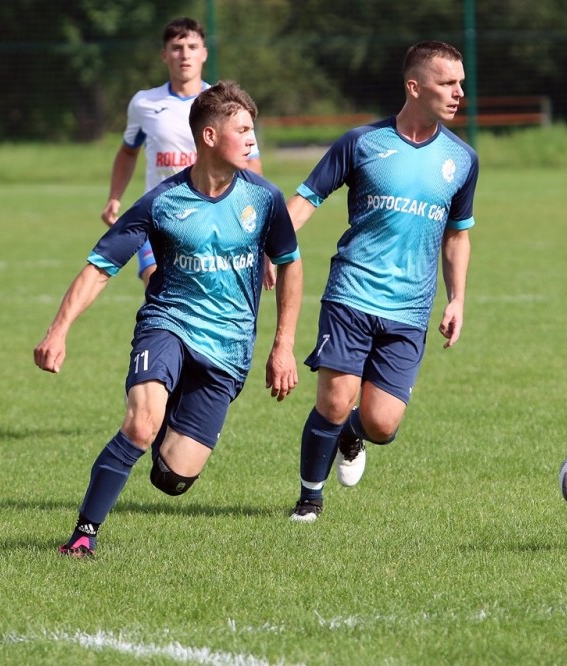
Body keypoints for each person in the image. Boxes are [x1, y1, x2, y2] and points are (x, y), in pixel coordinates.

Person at [35, 80, 303, 556]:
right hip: (168, 324)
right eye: (242, 130)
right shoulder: (162, 201)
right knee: (140, 424)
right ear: (209, 136)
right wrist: (59, 331)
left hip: (228, 348)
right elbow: (101, 266)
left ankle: (165, 413)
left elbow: (290, 265)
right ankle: (83, 535)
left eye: (252, 130)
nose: (251, 140)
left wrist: (283, 345)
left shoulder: (265, 199)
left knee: (173, 478)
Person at [285, 40, 479, 523]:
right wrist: (274, 247)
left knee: (382, 424)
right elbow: (306, 199)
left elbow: (457, 235)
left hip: (410, 308)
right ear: (414, 87)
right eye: (447, 83)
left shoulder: (462, 159)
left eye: (460, 83)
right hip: (351, 292)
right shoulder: (361, 143)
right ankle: (309, 499)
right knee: (334, 400)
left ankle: (353, 433)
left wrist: (457, 299)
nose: (459, 93)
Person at [101, 17, 263, 288]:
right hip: (160, 215)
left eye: (192, 47)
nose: (185, 54)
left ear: (204, 53)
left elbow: (251, 162)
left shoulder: (226, 105)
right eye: (177, 48)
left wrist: (251, 211)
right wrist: (114, 197)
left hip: (212, 214)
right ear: (164, 55)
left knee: (207, 293)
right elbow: (128, 152)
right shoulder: (144, 103)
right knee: (160, 287)